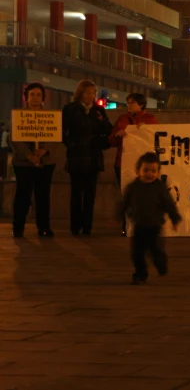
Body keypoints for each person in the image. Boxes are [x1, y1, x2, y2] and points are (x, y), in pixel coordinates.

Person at [118, 152, 182, 285]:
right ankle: (140, 274)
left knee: (156, 251)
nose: (149, 174)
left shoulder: (159, 188)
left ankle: (161, 264)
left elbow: (168, 204)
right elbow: (124, 202)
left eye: (153, 171)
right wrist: (120, 214)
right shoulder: (133, 188)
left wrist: (174, 218)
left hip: (155, 226)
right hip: (139, 226)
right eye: (146, 170)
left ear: (158, 172)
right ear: (138, 171)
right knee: (137, 253)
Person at [62, 79, 113, 236]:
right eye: (87, 93)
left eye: (93, 93)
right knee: (76, 192)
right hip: (76, 155)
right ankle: (75, 225)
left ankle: (87, 226)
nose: (90, 96)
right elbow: (63, 131)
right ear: (80, 93)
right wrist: (72, 144)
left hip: (93, 156)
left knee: (90, 193)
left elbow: (109, 130)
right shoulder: (70, 109)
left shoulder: (98, 111)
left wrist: (101, 121)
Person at [109, 93, 159, 236]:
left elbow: (157, 139)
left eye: (132, 103)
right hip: (122, 162)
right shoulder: (122, 119)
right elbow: (111, 140)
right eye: (128, 103)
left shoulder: (150, 120)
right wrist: (117, 136)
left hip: (143, 165)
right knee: (127, 195)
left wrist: (147, 130)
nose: (129, 105)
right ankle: (127, 226)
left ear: (141, 104)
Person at [11, 83, 56, 238]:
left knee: (43, 196)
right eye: (32, 94)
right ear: (26, 97)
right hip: (23, 163)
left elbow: (54, 136)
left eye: (38, 95)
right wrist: (29, 155)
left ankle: (44, 226)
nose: (35, 98)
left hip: (45, 162)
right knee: (23, 195)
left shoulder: (50, 116)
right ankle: (18, 227)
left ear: (43, 97)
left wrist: (44, 151)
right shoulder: (18, 115)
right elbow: (15, 139)